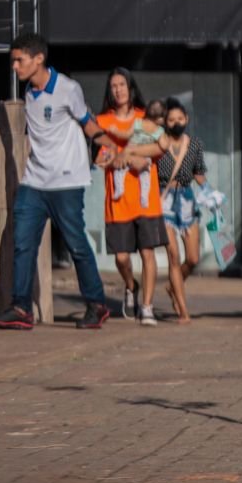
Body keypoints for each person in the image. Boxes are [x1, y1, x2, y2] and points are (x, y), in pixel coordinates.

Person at [0, 33, 115, 330]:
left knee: (76, 244)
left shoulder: (68, 89)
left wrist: (109, 146)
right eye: (13, 61)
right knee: (22, 244)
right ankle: (21, 308)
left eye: (19, 60)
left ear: (38, 59)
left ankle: (96, 304)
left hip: (67, 182)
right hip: (34, 182)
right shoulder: (29, 94)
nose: (15, 66)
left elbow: (88, 124)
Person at [96, 68, 166, 327]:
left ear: (130, 87)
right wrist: (119, 157)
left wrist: (136, 155)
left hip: (146, 200)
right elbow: (100, 157)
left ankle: (147, 307)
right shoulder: (102, 121)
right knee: (122, 257)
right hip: (118, 201)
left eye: (122, 84)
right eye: (113, 85)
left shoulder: (144, 117)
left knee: (147, 253)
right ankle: (130, 285)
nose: (118, 90)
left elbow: (162, 145)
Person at [157, 98, 206, 322]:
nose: (176, 122)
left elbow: (198, 172)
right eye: (171, 119)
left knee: (193, 258)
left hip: (187, 199)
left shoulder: (194, 144)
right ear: (165, 122)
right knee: (174, 256)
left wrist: (209, 192)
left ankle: (172, 288)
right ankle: (184, 312)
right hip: (165, 200)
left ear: (186, 119)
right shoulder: (159, 144)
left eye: (180, 118)